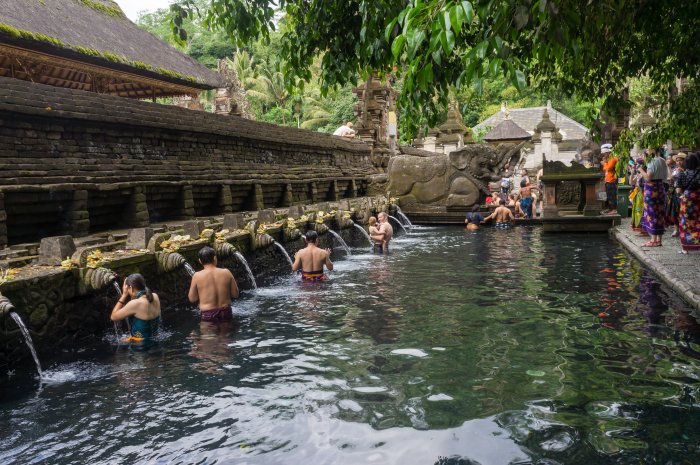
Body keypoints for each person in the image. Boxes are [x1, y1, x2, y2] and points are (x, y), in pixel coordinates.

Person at [188, 246, 240, 322]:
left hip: (208, 314)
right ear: (215, 258)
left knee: (208, 333)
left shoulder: (197, 276)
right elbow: (235, 294)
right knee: (225, 333)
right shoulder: (226, 272)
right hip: (225, 312)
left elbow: (192, 299)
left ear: (200, 261)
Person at [111, 273, 161, 342]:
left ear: (131, 288)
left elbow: (113, 316)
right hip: (156, 341)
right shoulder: (155, 296)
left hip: (141, 347)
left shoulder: (135, 304)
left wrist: (124, 295)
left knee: (120, 341)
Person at [639, 147, 669, 246]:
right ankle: (659, 240)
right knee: (660, 213)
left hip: (652, 189)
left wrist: (640, 170)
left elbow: (648, 177)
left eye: (648, 150)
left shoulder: (652, 162)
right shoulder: (663, 160)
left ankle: (653, 240)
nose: (646, 151)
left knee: (652, 213)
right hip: (660, 187)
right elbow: (665, 176)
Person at [675, 152, 700, 254]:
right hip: (698, 199)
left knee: (685, 223)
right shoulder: (699, 174)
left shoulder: (682, 174)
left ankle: (685, 248)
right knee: (697, 221)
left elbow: (678, 190)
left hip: (687, 199)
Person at [666, 153, 685, 237]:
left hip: (682, 192)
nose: (678, 162)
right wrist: (669, 167)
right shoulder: (675, 169)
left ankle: (683, 229)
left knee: (682, 211)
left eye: (680, 160)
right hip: (673, 191)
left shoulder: (686, 169)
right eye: (677, 160)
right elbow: (670, 178)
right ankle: (676, 228)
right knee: (674, 211)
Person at [629, 157, 647, 234]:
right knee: (637, 212)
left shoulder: (644, 174)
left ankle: (644, 229)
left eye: (638, 164)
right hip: (637, 194)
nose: (636, 166)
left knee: (641, 212)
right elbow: (631, 183)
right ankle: (640, 229)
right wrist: (632, 173)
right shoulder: (638, 174)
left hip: (642, 194)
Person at [600, 143, 618, 215]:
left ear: (608, 152)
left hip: (611, 180)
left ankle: (614, 209)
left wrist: (604, 163)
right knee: (608, 196)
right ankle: (610, 208)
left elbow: (608, 168)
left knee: (612, 196)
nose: (604, 155)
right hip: (608, 180)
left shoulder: (613, 158)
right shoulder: (609, 159)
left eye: (605, 153)